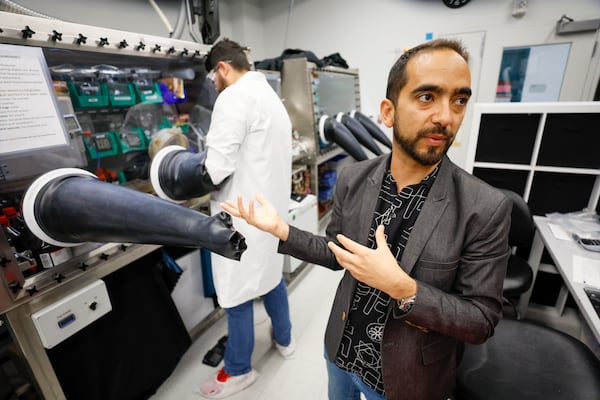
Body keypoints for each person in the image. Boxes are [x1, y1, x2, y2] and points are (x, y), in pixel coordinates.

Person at [220, 38, 511, 400]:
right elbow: (335, 251)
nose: (446, 116)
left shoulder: (483, 207)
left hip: (403, 380)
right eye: (426, 97)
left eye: (459, 100)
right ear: (388, 112)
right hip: (340, 353)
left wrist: (404, 289)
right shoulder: (354, 178)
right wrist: (282, 230)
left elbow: (481, 320)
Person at [197, 38, 294, 399]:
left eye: (213, 77)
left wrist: (185, 173)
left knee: (236, 292)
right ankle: (285, 339)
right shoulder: (269, 95)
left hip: (239, 217)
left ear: (222, 67)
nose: (214, 85)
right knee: (270, 276)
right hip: (269, 214)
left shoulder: (233, 97)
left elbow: (216, 168)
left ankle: (238, 370)